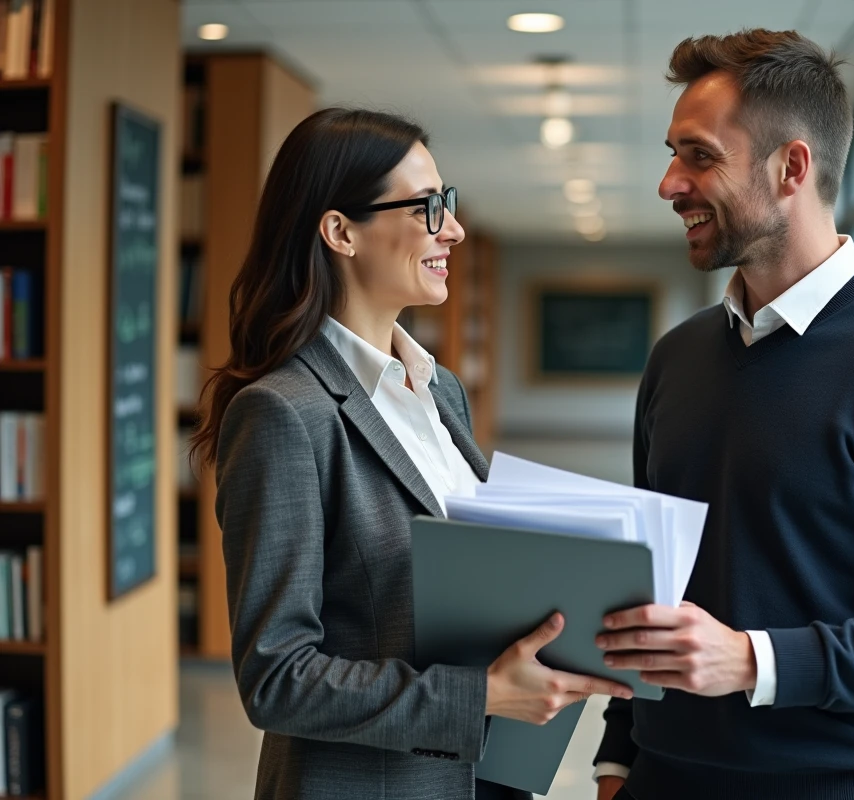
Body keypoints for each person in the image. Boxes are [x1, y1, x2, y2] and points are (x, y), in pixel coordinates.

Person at [592, 29, 854, 800]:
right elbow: (651, 583)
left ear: (792, 166)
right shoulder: (676, 358)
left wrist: (755, 660)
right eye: (671, 153)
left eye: (700, 156)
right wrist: (617, 759)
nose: (668, 184)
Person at [191, 108, 632, 800]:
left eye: (447, 203)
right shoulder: (281, 414)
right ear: (340, 231)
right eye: (428, 207)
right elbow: (276, 677)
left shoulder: (439, 390)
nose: (451, 228)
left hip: (482, 779)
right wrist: (477, 695)